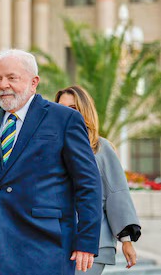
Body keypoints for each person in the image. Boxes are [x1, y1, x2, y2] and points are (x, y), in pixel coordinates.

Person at [0, 49, 102, 275]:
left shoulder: (64, 119)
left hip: (48, 246)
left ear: (34, 82)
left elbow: (88, 184)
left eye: (12, 78)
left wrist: (86, 241)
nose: (3, 85)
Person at [55, 85, 141, 275]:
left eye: (73, 108)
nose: (66, 113)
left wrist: (126, 241)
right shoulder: (51, 147)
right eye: (61, 108)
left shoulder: (101, 148)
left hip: (94, 243)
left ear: (84, 111)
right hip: (57, 242)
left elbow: (116, 194)